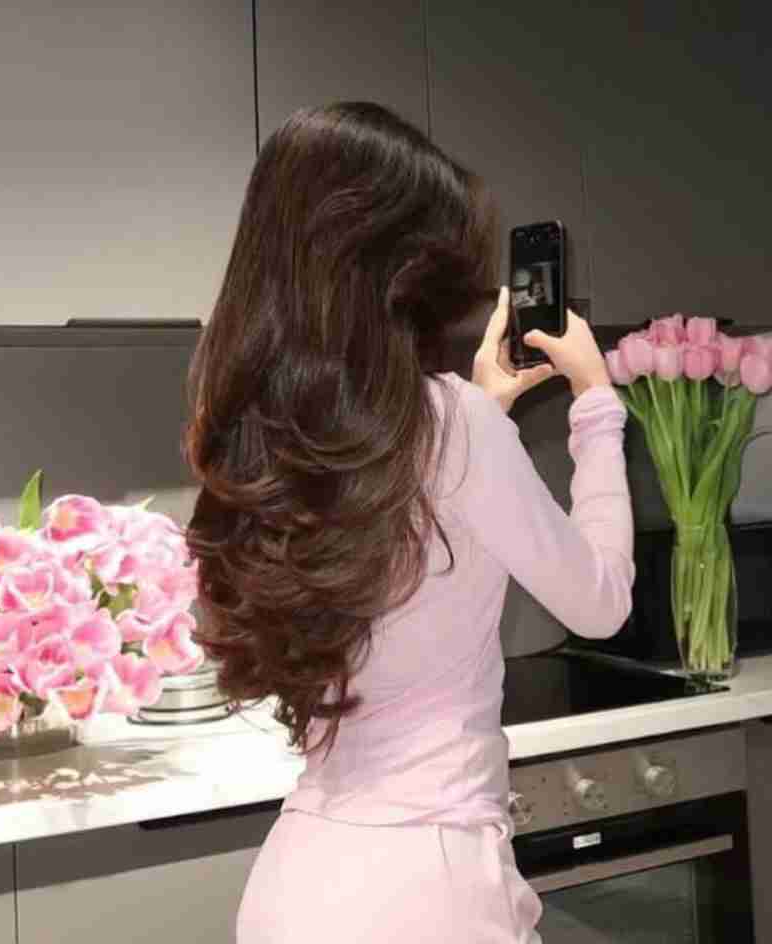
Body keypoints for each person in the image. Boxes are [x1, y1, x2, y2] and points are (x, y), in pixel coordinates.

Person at [184, 102, 633, 943]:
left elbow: (409, 492)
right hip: (431, 890)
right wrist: (595, 402)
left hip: (292, 887)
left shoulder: (263, 429)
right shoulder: (455, 425)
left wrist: (486, 408)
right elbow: (602, 601)